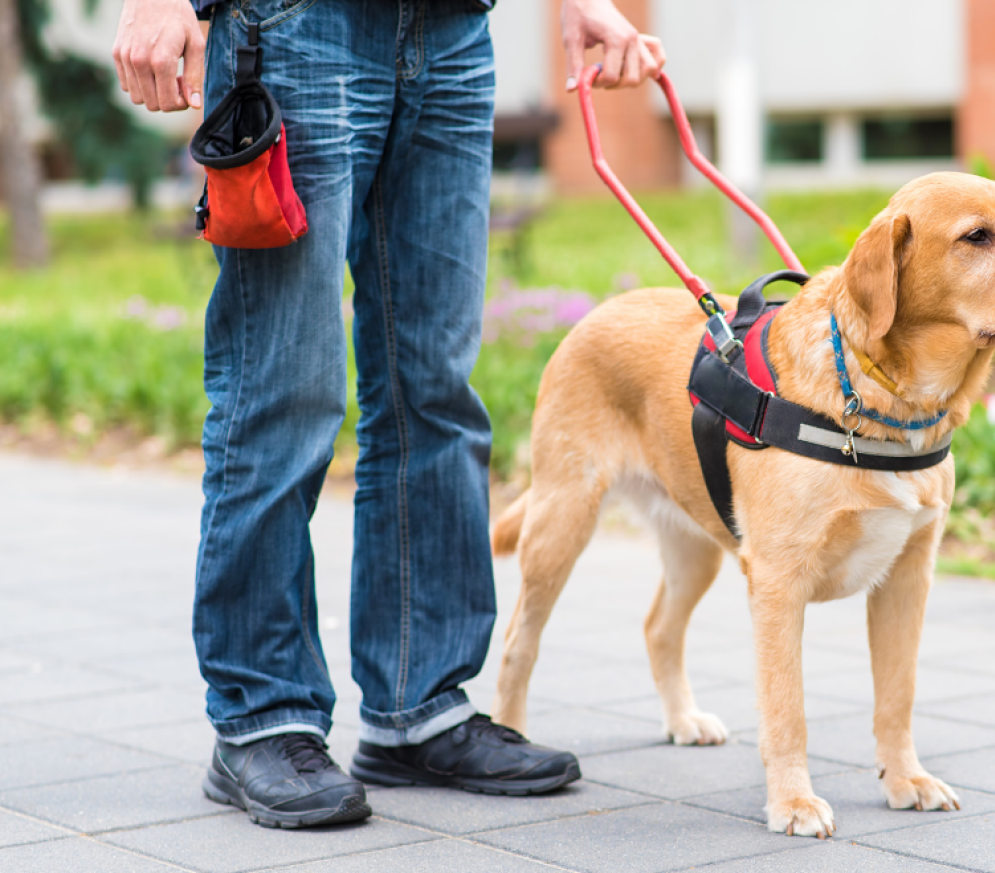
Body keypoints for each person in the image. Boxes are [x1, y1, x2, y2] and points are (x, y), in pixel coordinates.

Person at [112, 0, 665, 829]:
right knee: (282, 392)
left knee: (434, 392)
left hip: (450, 34)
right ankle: (261, 718)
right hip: (296, 30)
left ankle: (421, 705)